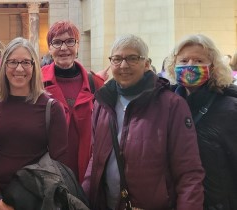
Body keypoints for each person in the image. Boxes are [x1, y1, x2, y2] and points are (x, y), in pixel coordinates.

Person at [82, 34, 204, 210]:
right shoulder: (102, 102)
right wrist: (84, 197)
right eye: (117, 59)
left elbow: (189, 172)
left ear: (147, 64)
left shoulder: (172, 105)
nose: (124, 65)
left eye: (132, 58)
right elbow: (96, 158)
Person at [0, 37, 68, 210]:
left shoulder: (52, 108)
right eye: (13, 62)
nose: (19, 68)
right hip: (2, 198)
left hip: (39, 198)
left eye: (26, 62)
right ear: (4, 67)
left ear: (34, 67)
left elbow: (60, 164)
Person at [166, 34, 237, 209]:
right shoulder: (166, 105)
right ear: (174, 65)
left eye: (198, 60)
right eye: (183, 60)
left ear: (212, 66)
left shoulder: (230, 108)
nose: (190, 65)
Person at [41, 20, 105, 182]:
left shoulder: (95, 84)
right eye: (57, 42)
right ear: (49, 48)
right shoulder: (37, 82)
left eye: (70, 41)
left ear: (77, 46)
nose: (64, 48)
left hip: (88, 175)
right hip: (49, 175)